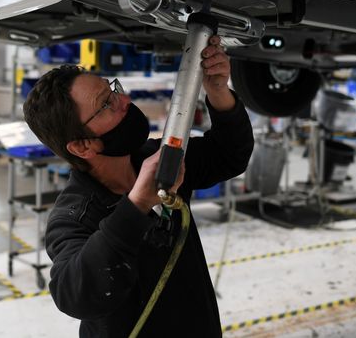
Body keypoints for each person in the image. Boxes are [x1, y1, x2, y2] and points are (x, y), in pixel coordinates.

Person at [23, 36, 254, 337]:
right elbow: (75, 295)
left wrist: (218, 90)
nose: (125, 101)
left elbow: (230, 155)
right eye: (106, 104)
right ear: (82, 146)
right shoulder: (73, 216)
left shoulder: (153, 160)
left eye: (113, 90)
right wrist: (135, 207)